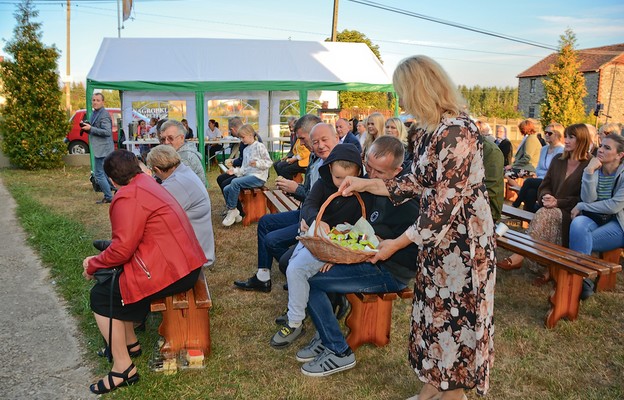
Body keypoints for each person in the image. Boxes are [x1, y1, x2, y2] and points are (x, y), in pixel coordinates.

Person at [339, 56, 495, 399]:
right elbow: (413, 182)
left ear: (420, 89)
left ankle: (454, 394)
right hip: (436, 241)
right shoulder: (426, 130)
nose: (402, 101)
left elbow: (444, 204)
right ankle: (432, 387)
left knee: (458, 318)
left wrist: (395, 243)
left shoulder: (457, 132)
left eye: (403, 92)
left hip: (462, 243)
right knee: (436, 316)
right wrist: (366, 184)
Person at [83, 150, 206, 394]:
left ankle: (123, 368)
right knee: (118, 283)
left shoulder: (127, 197)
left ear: (112, 180)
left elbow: (121, 250)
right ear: (137, 167)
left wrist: (94, 264)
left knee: (101, 294)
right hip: (185, 263)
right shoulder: (147, 182)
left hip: (175, 270)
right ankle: (130, 345)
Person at [296, 135, 419, 376]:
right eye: (368, 166)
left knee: (311, 283)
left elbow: (408, 252)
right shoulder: (370, 185)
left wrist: (384, 244)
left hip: (390, 271)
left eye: (379, 172)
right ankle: (325, 335)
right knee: (310, 273)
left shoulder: (408, 202)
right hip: (365, 259)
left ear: (398, 171)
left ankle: (338, 350)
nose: (370, 176)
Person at [270, 144, 365, 348]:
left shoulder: (363, 191)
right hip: (318, 239)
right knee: (292, 263)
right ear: (330, 169)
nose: (342, 184)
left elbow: (362, 228)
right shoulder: (322, 184)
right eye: (338, 178)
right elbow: (309, 205)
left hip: (341, 248)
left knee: (296, 269)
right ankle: (305, 308)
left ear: (359, 173)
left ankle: (295, 321)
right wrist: (315, 219)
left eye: (349, 179)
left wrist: (336, 256)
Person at [233, 117, 336, 292]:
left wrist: (297, 189)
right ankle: (263, 277)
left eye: (303, 139)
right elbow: (312, 193)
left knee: (272, 241)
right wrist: (293, 189)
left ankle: (300, 273)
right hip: (305, 213)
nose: (301, 143)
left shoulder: (336, 163)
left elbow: (324, 202)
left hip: (317, 221)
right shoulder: (315, 157)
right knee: (265, 222)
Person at [497, 124, 592, 280]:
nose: (566, 140)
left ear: (582, 139)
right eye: (566, 136)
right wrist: (546, 196)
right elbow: (544, 185)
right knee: (546, 212)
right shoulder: (559, 159)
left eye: (571, 137)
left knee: (544, 213)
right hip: (551, 207)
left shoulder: (589, 164)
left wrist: (558, 202)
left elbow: (584, 198)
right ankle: (547, 267)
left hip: (573, 213)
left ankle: (520, 255)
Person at [569, 133, 624, 299]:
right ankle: (584, 281)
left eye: (607, 148)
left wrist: (582, 206)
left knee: (582, 239)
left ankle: (579, 280)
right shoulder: (596, 169)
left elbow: (615, 206)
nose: (600, 150)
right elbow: (589, 198)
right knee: (578, 224)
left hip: (619, 223)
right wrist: (589, 171)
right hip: (596, 218)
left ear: (620, 155)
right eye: (601, 145)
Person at [146, 145, 215, 266]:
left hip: (194, 254)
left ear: (156, 169)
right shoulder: (184, 172)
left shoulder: (176, 183)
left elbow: (152, 215)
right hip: (196, 244)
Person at [222, 124, 272, 226]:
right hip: (248, 176)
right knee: (226, 189)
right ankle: (236, 213)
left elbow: (269, 162)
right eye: (240, 137)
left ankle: (232, 210)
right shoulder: (245, 150)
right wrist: (235, 171)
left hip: (259, 177)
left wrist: (257, 164)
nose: (241, 139)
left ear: (250, 135)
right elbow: (244, 169)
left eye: (243, 137)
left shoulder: (259, 146)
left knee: (235, 182)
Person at [512, 123, 565, 211]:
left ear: (558, 134)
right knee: (530, 193)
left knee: (528, 181)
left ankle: (516, 204)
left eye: (550, 133)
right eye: (545, 132)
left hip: (551, 182)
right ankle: (531, 218)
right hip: (540, 179)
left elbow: (555, 172)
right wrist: (539, 175)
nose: (546, 135)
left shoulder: (562, 151)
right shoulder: (544, 149)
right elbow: (539, 168)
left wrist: (543, 176)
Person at [82, 93, 114, 203]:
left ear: (103, 102)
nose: (95, 102)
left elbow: (107, 132)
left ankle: (109, 196)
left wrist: (91, 128)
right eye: (94, 100)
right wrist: (87, 128)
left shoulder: (103, 114)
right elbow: (94, 128)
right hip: (100, 148)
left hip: (103, 149)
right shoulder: (95, 113)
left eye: (98, 100)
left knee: (99, 174)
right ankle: (114, 191)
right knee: (105, 173)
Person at [159, 119, 206, 186]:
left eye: (170, 138)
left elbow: (172, 185)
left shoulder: (185, 158)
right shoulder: (174, 153)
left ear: (181, 138)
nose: (166, 142)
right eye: (163, 139)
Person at [505, 119, 542, 189]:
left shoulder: (531, 139)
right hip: (526, 167)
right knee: (505, 170)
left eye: (521, 128)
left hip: (529, 168)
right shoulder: (529, 138)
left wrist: (512, 166)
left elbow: (527, 158)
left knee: (506, 174)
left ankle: (520, 191)